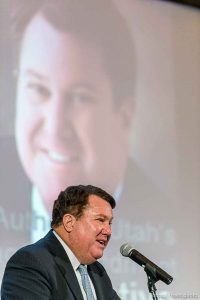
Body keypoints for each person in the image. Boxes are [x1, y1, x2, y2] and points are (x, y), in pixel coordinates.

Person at [1, 184, 120, 299]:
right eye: (100, 220)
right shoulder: (30, 262)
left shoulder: (97, 271)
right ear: (69, 222)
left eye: (109, 223)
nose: (108, 231)